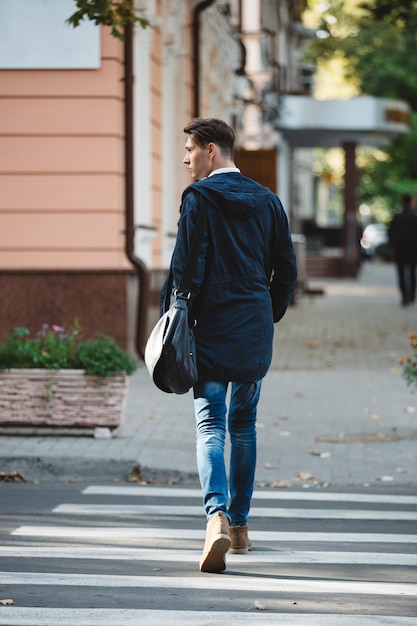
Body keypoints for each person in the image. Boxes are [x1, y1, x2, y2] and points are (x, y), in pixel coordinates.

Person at [161, 118, 297, 573]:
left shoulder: (198, 199)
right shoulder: (269, 200)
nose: (185, 158)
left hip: (210, 324)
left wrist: (176, 316)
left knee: (210, 425)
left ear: (212, 151)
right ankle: (239, 528)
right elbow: (286, 268)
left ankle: (215, 516)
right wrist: (267, 311)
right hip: (253, 325)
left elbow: (186, 267)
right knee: (244, 425)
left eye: (190, 150)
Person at [388, 194, 417, 306]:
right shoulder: (415, 216)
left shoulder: (397, 217)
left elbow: (390, 233)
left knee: (401, 273)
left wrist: (392, 246)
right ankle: (411, 296)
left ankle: (405, 296)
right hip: (413, 249)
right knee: (412, 272)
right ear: (411, 202)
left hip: (400, 249)